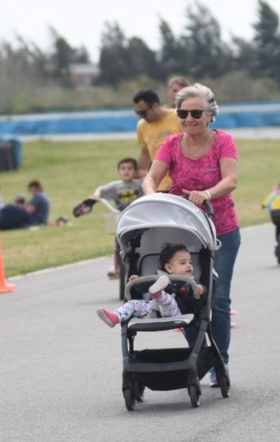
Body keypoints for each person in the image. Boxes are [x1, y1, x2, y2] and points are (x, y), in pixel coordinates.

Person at [143, 83, 240, 387]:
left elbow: (231, 179)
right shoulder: (171, 144)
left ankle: (219, 363)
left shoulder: (223, 141)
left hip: (220, 229)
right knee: (185, 298)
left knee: (219, 299)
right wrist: (151, 197)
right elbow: (151, 177)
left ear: (210, 115)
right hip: (184, 231)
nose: (189, 118)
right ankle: (199, 356)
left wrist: (206, 193)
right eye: (184, 113)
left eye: (196, 113)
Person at [96, 243, 204, 327]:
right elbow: (143, 288)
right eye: (183, 263)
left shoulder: (190, 282)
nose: (189, 265)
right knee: (133, 304)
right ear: (169, 268)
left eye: (190, 262)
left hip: (177, 313)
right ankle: (115, 317)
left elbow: (199, 296)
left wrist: (200, 290)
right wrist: (137, 282)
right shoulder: (158, 278)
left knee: (168, 300)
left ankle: (158, 294)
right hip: (154, 312)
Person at [93, 157, 143, 279]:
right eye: (123, 169)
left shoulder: (140, 184)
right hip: (121, 218)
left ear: (136, 171)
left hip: (138, 218)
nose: (126, 171)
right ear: (118, 172)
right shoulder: (116, 186)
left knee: (141, 241)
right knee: (118, 242)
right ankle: (116, 267)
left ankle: (141, 264)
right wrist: (96, 195)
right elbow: (100, 189)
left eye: (130, 168)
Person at [133, 89, 183, 191]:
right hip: (158, 185)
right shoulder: (142, 125)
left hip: (181, 184)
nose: (142, 117)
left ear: (155, 106)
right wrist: (138, 174)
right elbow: (145, 153)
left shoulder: (178, 118)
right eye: (138, 113)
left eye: (143, 112)